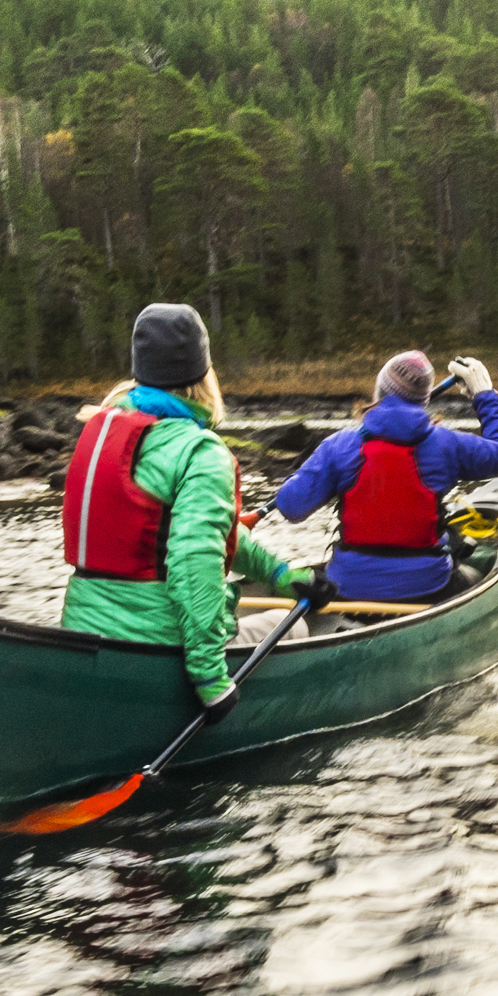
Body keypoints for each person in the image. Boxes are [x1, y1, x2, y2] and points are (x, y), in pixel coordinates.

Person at [59, 302, 312, 708]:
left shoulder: (103, 430)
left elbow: (195, 535)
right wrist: (210, 678)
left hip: (83, 639)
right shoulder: (200, 451)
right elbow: (196, 560)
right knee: (296, 627)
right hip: (154, 648)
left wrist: (280, 574)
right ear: (203, 373)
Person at [270, 348, 498, 603]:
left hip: (348, 587)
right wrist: (484, 395)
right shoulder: (447, 444)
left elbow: (290, 507)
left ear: (379, 393)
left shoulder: (339, 445)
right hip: (428, 586)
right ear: (424, 400)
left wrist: (317, 467)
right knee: (474, 576)